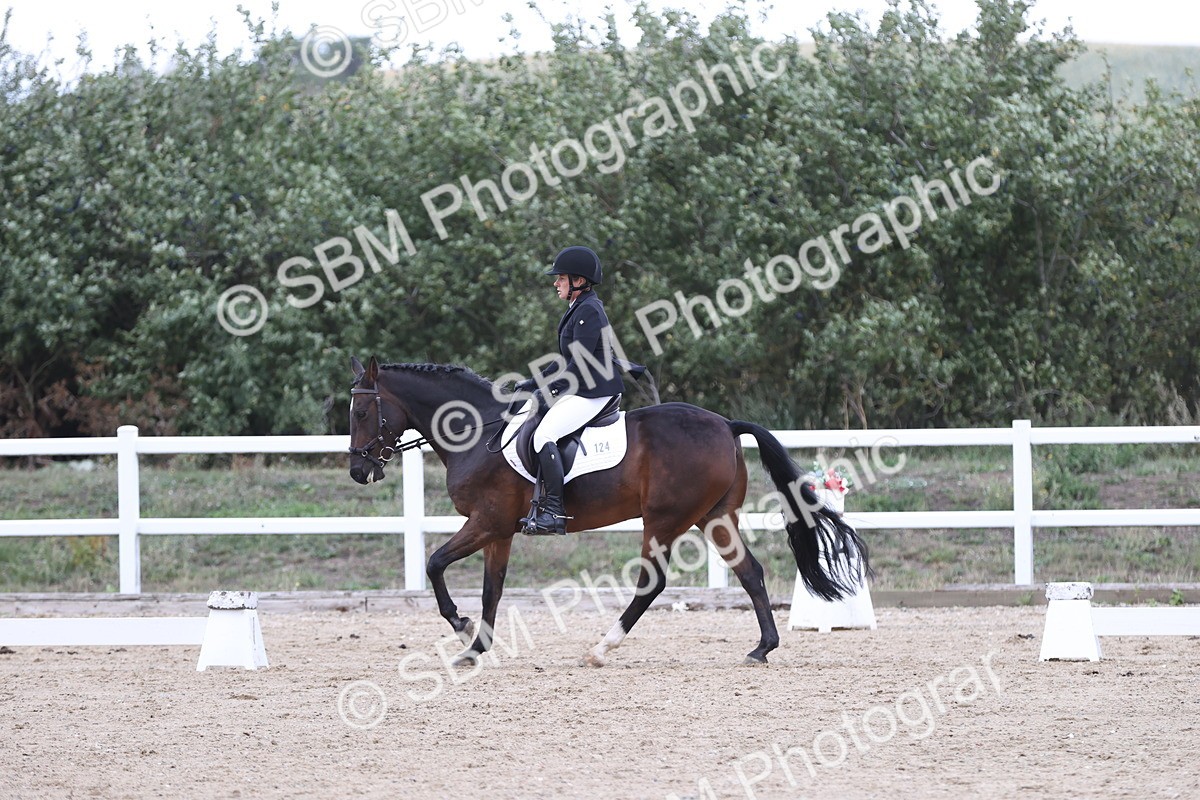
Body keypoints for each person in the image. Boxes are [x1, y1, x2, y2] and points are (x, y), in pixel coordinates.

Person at [516, 245, 625, 535]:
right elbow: (565, 361)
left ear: (579, 281)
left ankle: (554, 511)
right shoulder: (578, 308)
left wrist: (547, 393)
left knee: (544, 435)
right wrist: (533, 383)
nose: (556, 283)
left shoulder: (588, 310)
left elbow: (579, 366)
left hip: (595, 392)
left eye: (561, 278)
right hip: (584, 387)